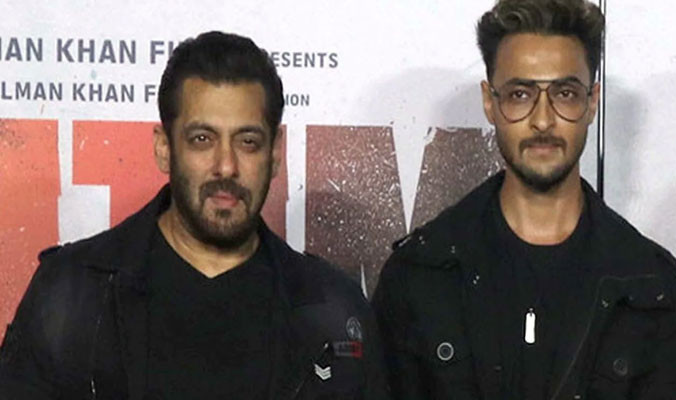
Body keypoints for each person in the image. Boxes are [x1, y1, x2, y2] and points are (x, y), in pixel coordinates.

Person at [0, 31, 388, 400]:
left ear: (274, 154)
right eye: (202, 139)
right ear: (164, 148)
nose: (226, 166)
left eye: (248, 142)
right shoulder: (71, 293)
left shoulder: (335, 313)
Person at [372, 0, 676, 398]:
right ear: (490, 102)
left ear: (591, 102)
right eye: (520, 94)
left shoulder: (654, 289)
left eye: (565, 93)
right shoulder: (418, 276)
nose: (543, 120)